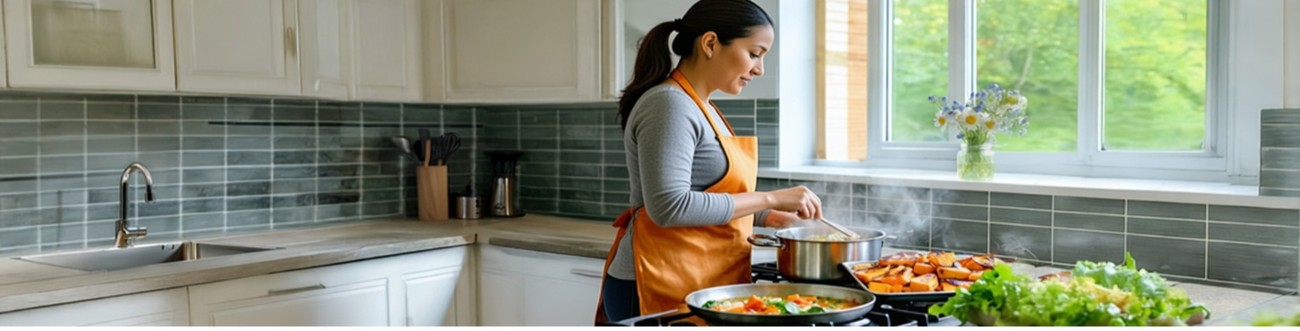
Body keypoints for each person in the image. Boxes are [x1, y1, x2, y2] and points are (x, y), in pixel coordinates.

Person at [594, 0, 825, 324]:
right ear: (711, 44)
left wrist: (772, 217)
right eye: (755, 53)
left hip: (699, 279)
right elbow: (670, 206)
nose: (759, 69)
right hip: (653, 282)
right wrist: (772, 197)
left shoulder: (703, 107)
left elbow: (711, 193)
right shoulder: (669, 105)